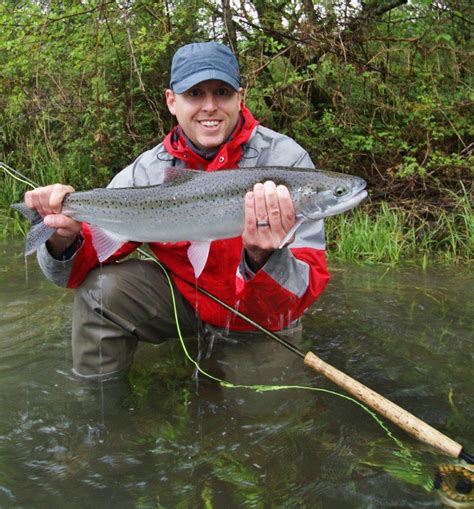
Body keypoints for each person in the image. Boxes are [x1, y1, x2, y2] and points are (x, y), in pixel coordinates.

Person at [24, 42, 330, 380]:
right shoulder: (147, 171)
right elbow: (72, 274)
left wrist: (263, 259)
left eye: (222, 92)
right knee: (100, 291)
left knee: (258, 422)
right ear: (172, 101)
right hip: (184, 303)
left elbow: (302, 293)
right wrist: (62, 242)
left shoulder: (287, 162)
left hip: (261, 319)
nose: (210, 106)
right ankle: (101, 416)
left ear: (240, 97)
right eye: (195, 94)